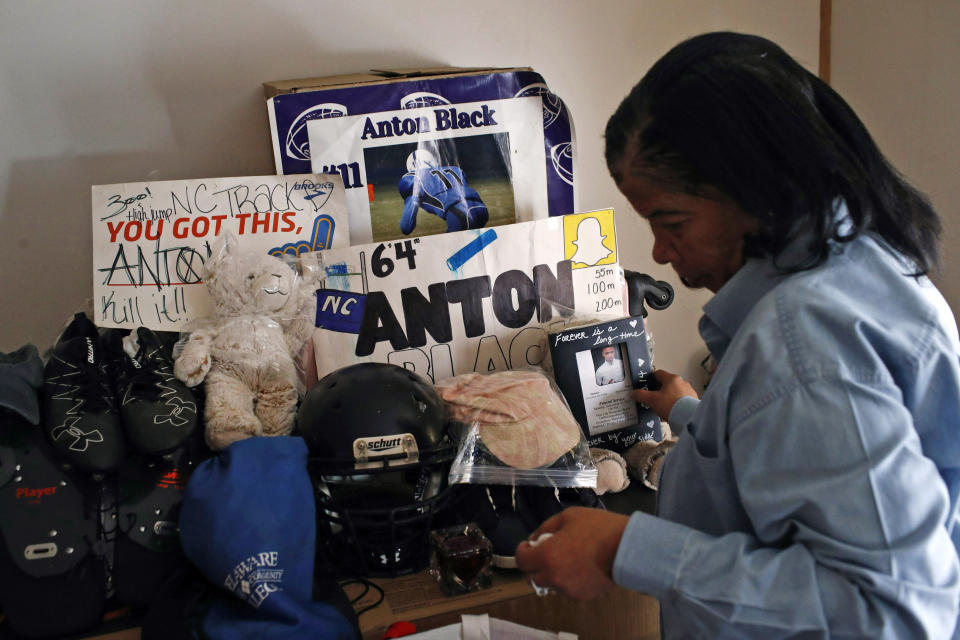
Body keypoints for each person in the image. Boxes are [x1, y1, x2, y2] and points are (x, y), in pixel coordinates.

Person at [515, 32, 960, 638]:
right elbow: (806, 451)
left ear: (756, 187)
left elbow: (888, 610)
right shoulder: (871, 265)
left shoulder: (804, 341)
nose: (660, 251)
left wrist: (623, 551)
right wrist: (695, 418)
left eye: (671, 221)